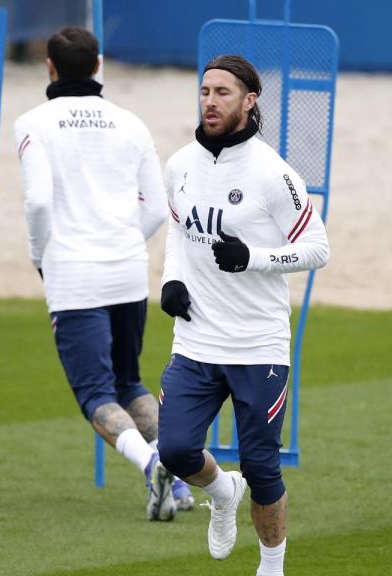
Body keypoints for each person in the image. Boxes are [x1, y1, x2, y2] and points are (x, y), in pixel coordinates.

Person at [156, 55, 330, 575]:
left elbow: (317, 248)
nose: (209, 101)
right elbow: (176, 228)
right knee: (176, 450)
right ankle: (223, 491)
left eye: (222, 93)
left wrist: (252, 258)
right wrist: (170, 279)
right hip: (195, 342)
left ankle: (271, 567)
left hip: (258, 346)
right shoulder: (180, 164)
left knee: (262, 465)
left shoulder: (274, 174)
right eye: (205, 91)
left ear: (249, 101)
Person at [12, 26, 194, 521]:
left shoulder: (32, 123)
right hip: (127, 268)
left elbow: (38, 201)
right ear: (97, 67)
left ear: (49, 67)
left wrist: (39, 255)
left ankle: (153, 462)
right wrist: (122, 242)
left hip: (72, 271)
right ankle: (177, 477)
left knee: (95, 391)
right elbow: (157, 208)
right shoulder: (131, 123)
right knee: (129, 380)